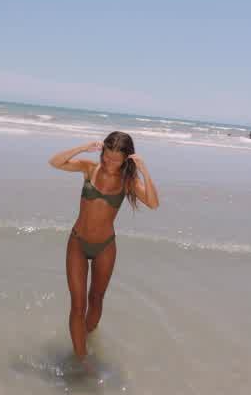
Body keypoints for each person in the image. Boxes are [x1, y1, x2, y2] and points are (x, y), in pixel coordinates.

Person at [48, 131, 159, 366]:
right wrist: (82, 147)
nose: (109, 162)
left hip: (105, 247)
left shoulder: (128, 182)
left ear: (126, 159)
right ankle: (81, 359)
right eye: (107, 156)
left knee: (96, 299)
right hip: (78, 243)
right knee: (78, 305)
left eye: (115, 159)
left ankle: (85, 338)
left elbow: (153, 203)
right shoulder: (90, 169)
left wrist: (144, 171)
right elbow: (55, 162)